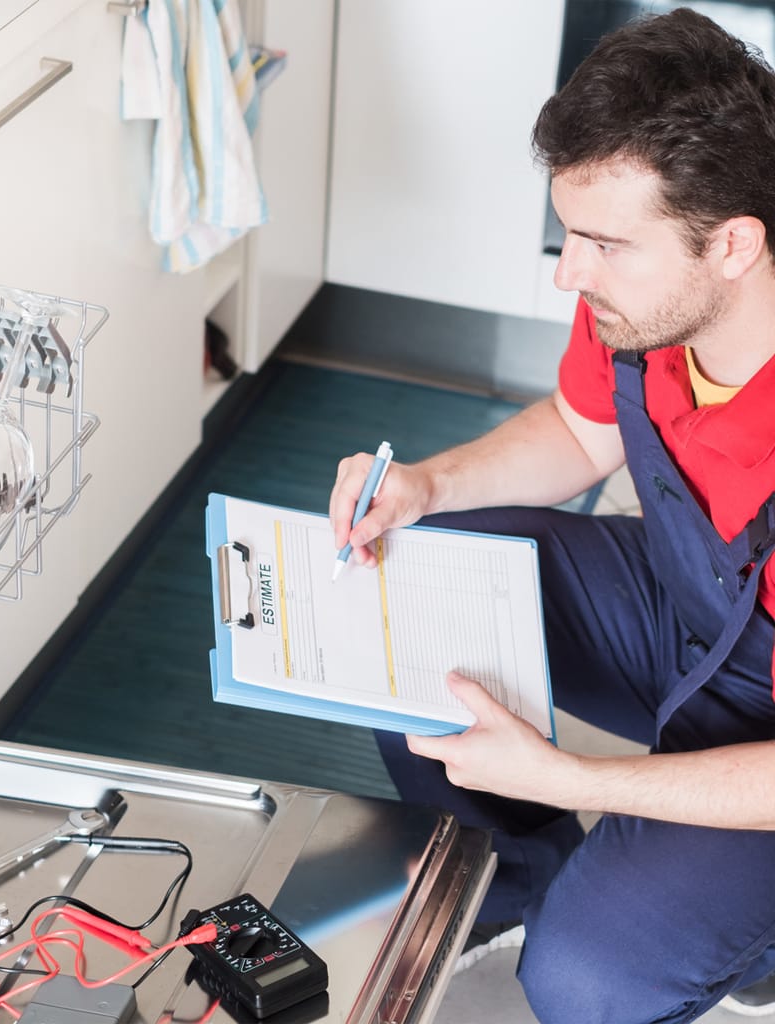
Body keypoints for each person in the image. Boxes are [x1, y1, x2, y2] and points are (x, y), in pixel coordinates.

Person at [328, 8, 775, 1023]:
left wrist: (576, 776)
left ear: (734, 244)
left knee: (586, 979)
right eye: (569, 233)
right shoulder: (651, 291)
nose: (569, 273)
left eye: (604, 245)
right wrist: (425, 487)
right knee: (418, 574)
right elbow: (581, 433)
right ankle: (520, 885)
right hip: (683, 610)